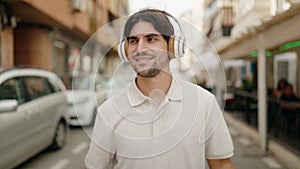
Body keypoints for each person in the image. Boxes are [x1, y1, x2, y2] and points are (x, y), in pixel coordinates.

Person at [85, 9, 235, 169]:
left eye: (151, 39)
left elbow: (221, 164)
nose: (140, 48)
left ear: (172, 47)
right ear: (125, 50)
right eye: (133, 41)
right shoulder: (108, 112)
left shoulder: (204, 102)